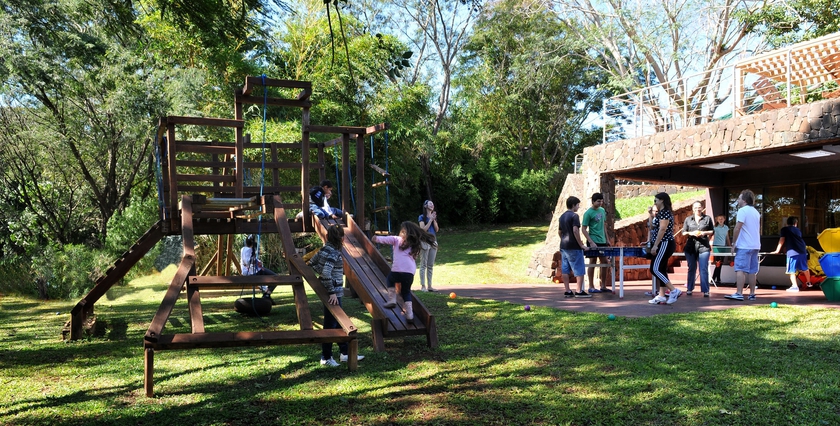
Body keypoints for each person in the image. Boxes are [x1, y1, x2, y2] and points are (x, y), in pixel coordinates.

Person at [308, 225, 364, 366]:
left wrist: (322, 277)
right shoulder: (334, 253)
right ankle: (326, 357)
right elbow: (326, 272)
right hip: (333, 293)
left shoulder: (324, 249)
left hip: (329, 290)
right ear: (341, 238)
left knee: (339, 323)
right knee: (330, 325)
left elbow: (312, 263)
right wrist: (331, 291)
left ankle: (345, 353)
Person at [373, 222, 435, 320]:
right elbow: (414, 257)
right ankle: (410, 315)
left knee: (390, 279)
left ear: (402, 232)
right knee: (406, 292)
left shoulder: (396, 239)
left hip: (397, 270)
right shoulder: (415, 244)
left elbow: (384, 240)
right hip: (409, 272)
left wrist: (375, 238)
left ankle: (392, 299)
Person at [726, 189, 761, 301]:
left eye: (739, 198)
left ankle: (739, 293)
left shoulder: (742, 211)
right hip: (755, 245)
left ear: (744, 200)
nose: (738, 200)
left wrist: (733, 243)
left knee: (740, 269)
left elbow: (737, 227)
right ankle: (752, 294)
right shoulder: (756, 212)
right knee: (752, 271)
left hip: (744, 245)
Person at [648, 192, 682, 304]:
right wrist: (650, 215)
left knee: (655, 268)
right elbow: (652, 227)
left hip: (664, 243)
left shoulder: (665, 213)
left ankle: (673, 290)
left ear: (662, 200)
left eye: (656, 200)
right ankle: (661, 295)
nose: (655, 203)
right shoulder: (660, 213)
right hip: (661, 243)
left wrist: (655, 245)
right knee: (661, 269)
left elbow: (662, 230)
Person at [558, 196, 592, 298]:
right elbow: (575, 230)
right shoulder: (574, 216)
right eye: (578, 205)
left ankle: (567, 291)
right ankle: (578, 291)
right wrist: (581, 245)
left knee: (565, 269)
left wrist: (563, 240)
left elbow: (560, 232)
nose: (578, 207)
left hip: (563, 246)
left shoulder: (562, 217)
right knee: (579, 268)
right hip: (574, 247)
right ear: (573, 205)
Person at [581, 193, 613, 293]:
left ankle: (603, 285)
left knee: (605, 262)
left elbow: (604, 225)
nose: (600, 203)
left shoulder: (602, 211)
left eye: (601, 201)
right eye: (598, 201)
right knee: (592, 262)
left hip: (602, 241)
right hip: (593, 241)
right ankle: (591, 286)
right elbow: (583, 229)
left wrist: (607, 239)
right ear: (593, 201)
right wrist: (591, 242)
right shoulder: (588, 213)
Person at [682, 201, 714, 297]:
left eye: (699, 207)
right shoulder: (688, 219)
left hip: (703, 246)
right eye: (695, 207)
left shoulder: (707, 219)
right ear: (693, 209)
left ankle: (705, 290)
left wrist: (704, 233)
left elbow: (712, 231)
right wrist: (691, 233)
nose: (697, 209)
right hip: (691, 247)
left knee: (703, 268)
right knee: (691, 268)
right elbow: (684, 232)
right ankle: (689, 288)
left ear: (702, 207)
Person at [770, 216, 810, 292]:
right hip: (802, 251)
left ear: (787, 223)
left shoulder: (784, 229)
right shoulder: (798, 230)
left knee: (791, 270)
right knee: (804, 268)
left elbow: (782, 240)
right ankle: (809, 283)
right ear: (795, 223)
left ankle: (795, 286)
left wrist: (777, 250)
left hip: (792, 252)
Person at [240, 235, 278, 304]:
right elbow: (247, 262)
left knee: (275, 277)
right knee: (273, 278)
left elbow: (253, 260)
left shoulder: (249, 249)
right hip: (251, 272)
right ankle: (267, 294)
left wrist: (258, 262)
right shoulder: (246, 249)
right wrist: (255, 260)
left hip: (257, 270)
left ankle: (267, 295)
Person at [418, 200, 439, 292]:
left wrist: (433, 219)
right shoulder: (421, 217)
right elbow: (423, 230)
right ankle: (423, 286)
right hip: (425, 242)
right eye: (430, 203)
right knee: (423, 265)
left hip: (433, 242)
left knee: (430, 265)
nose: (432, 205)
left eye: (433, 203)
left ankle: (430, 286)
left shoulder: (433, 217)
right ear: (425, 206)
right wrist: (430, 220)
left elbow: (437, 229)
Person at [711, 214, 731, 286]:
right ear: (717, 220)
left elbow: (727, 238)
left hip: (723, 246)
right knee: (718, 263)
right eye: (719, 219)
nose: (720, 220)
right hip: (716, 246)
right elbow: (710, 235)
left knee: (721, 263)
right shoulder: (715, 227)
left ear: (724, 219)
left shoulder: (726, 228)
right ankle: (714, 278)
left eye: (722, 219)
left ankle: (717, 279)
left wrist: (729, 246)